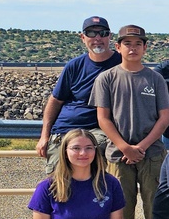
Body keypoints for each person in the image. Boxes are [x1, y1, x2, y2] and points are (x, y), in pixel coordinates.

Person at [90, 24, 169, 219]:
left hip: (152, 154)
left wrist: (142, 147)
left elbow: (164, 117)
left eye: (138, 44)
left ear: (145, 47)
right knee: (121, 209)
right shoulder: (107, 78)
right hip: (117, 155)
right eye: (127, 43)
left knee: (153, 206)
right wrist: (125, 146)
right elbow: (103, 118)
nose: (133, 48)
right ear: (118, 47)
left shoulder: (154, 78)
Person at [37, 16, 121, 174]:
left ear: (110, 36)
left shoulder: (122, 64)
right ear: (83, 38)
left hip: (96, 130)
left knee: (91, 180)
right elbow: (55, 101)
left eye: (102, 33)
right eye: (91, 33)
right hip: (64, 130)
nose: (97, 38)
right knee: (57, 183)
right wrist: (44, 136)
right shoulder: (74, 66)